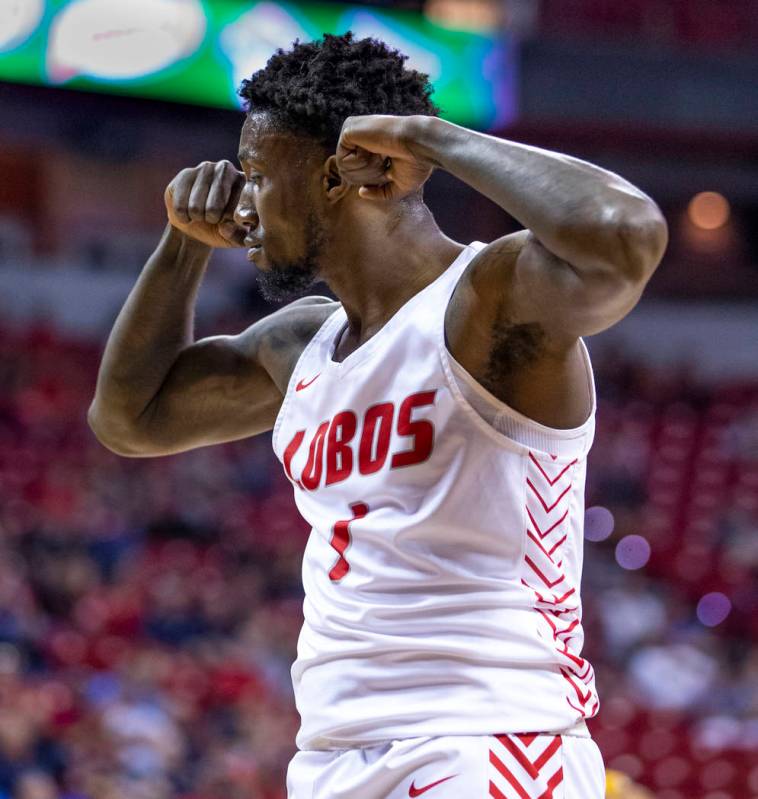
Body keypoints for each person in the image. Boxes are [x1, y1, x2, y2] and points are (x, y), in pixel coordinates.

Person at [88, 32, 667, 799]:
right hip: (333, 751)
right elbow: (130, 418)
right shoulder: (303, 344)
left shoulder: (486, 300)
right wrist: (182, 246)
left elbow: (625, 237)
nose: (244, 202)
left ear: (337, 177)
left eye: (260, 177)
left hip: (487, 742)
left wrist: (431, 137)